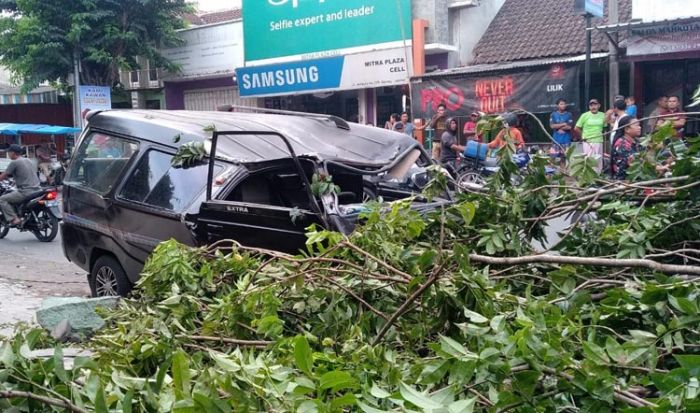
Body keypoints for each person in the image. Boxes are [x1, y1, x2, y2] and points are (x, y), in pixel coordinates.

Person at [0, 144, 41, 227]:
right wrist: (15, 182)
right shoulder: (28, 160)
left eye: (9, 152)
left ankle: (14, 219)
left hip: (26, 192)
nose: (8, 154)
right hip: (38, 190)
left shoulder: (14, 162)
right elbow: (24, 174)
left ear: (13, 153)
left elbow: (3, 176)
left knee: (2, 199)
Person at [574, 99, 606, 173]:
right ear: (589, 107)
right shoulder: (585, 115)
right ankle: (589, 177)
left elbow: (605, 127)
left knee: (598, 160)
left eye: (595, 105)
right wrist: (583, 136)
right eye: (591, 105)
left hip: (599, 141)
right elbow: (576, 128)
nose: (593, 107)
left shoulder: (602, 115)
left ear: (599, 105)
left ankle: (598, 177)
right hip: (588, 141)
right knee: (589, 160)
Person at [611, 116, 641, 180]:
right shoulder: (621, 144)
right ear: (627, 129)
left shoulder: (637, 141)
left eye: (639, 125)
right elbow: (635, 164)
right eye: (636, 125)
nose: (639, 127)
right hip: (624, 180)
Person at [549, 98, 573, 165]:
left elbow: (569, 127)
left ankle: (563, 173)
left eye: (564, 104)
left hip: (566, 140)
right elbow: (552, 126)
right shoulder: (553, 114)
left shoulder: (569, 114)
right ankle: (551, 174)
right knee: (552, 159)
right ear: (557, 105)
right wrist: (563, 124)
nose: (563, 105)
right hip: (556, 140)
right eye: (561, 104)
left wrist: (559, 127)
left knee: (564, 159)